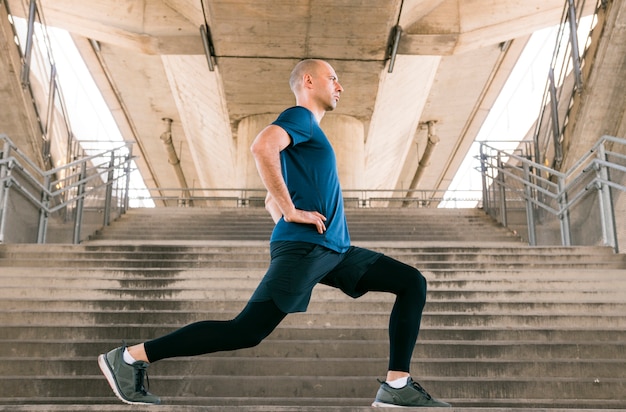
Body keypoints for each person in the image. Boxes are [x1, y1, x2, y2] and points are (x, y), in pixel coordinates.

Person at [98, 59, 451, 408]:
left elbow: (270, 198)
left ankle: (397, 385)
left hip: (334, 251)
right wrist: (293, 214)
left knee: (411, 282)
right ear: (309, 81)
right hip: (309, 248)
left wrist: (284, 211)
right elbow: (261, 146)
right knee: (246, 331)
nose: (340, 86)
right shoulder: (301, 117)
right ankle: (129, 358)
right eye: (333, 78)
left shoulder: (309, 133)